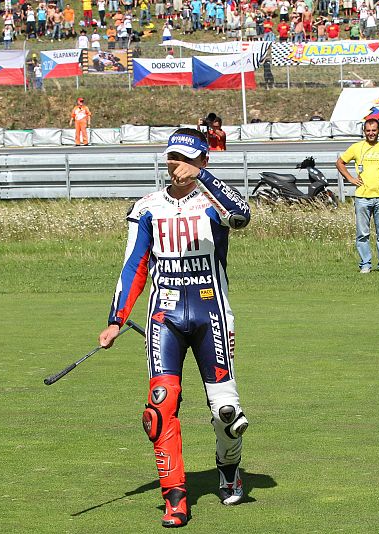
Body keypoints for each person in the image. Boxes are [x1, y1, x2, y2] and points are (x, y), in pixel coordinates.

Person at [98, 128, 251, 528]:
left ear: (202, 161)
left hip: (212, 314)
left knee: (228, 414)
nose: (175, 164)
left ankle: (228, 467)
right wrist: (116, 319)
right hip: (163, 318)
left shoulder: (213, 201)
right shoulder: (147, 207)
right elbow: (135, 265)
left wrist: (202, 178)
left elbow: (242, 216)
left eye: (184, 157)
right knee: (160, 409)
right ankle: (175, 498)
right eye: (171, 157)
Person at [335, 118, 379, 274]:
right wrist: (350, 179)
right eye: (368, 130)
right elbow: (340, 162)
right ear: (364, 132)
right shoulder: (356, 147)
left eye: (374, 130)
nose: (371, 133)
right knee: (362, 234)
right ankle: (365, 264)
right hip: (362, 197)